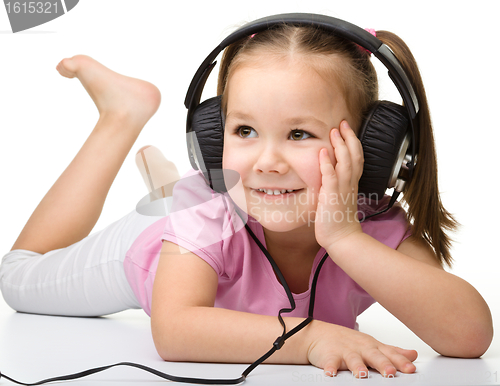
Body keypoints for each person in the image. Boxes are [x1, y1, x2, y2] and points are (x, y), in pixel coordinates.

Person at [0, 16, 493, 380]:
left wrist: (343, 237)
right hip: (165, 236)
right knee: (18, 276)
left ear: (374, 148)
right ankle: (120, 117)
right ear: (211, 138)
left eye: (299, 134)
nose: (267, 161)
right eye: (245, 130)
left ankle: (156, 172)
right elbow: (176, 330)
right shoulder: (204, 215)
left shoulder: (372, 223)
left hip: (227, 217)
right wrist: (312, 336)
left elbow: (468, 337)